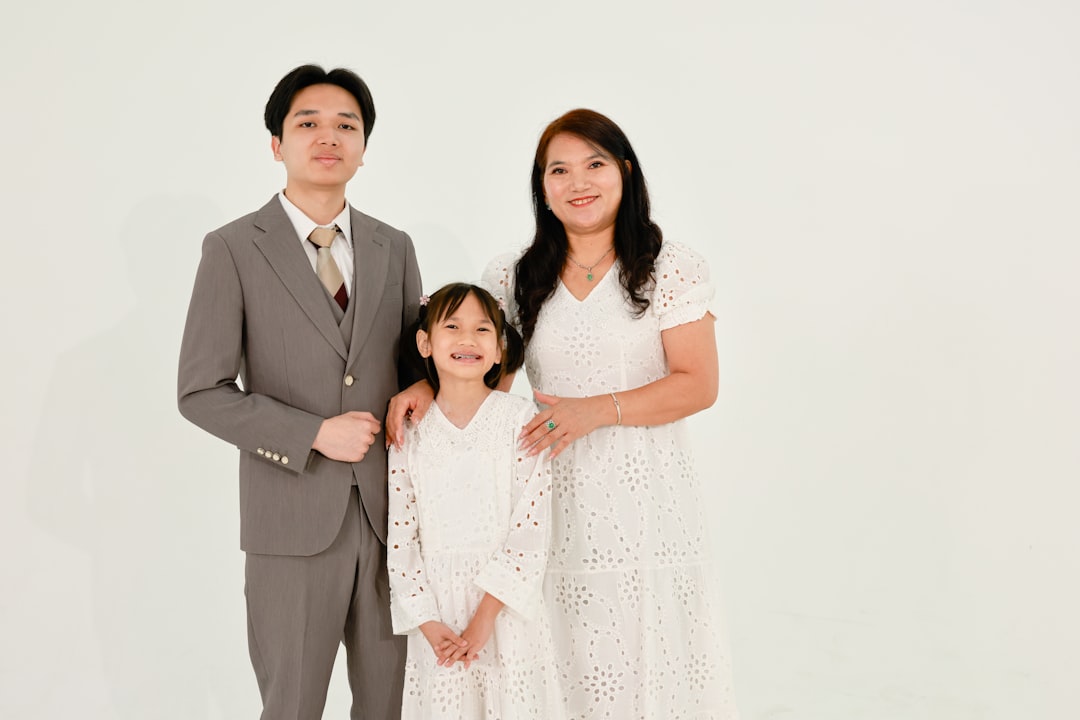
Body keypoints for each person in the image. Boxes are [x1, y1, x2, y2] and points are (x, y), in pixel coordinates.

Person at [388, 109, 739, 718]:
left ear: (625, 172)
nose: (579, 182)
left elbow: (698, 385)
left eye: (595, 165)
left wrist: (596, 411)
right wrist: (424, 389)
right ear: (542, 187)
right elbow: (483, 370)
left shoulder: (669, 267)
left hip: (645, 504)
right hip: (541, 503)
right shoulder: (514, 275)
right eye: (559, 170)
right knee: (559, 666)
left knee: (645, 664)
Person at [177, 64, 421, 720]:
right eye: (307, 122)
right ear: (276, 144)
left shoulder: (393, 248)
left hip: (390, 519)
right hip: (288, 522)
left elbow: (414, 368)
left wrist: (421, 393)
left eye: (347, 125)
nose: (329, 136)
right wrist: (312, 432)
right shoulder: (231, 248)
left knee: (391, 704)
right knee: (291, 706)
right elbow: (200, 390)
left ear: (364, 148)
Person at [387, 283, 565, 719]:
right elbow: (400, 538)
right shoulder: (410, 430)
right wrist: (428, 622)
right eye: (452, 326)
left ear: (501, 348)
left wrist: (485, 618)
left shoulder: (519, 419)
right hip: (438, 617)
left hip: (505, 614)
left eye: (482, 329)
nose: (467, 339)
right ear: (425, 342)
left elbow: (531, 527)